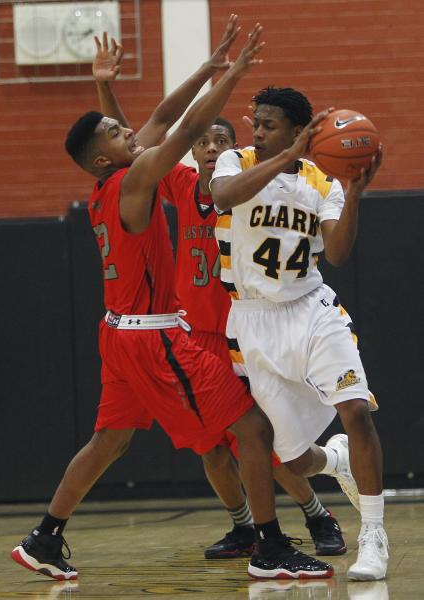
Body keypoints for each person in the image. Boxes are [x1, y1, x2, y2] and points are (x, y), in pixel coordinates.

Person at [11, 18, 334, 582]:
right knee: (253, 430)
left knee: (109, 439)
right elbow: (179, 132)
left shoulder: (120, 178)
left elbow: (159, 122)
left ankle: (44, 536)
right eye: (116, 134)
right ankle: (269, 547)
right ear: (103, 161)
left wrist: (208, 68)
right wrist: (232, 73)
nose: (131, 134)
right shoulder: (137, 182)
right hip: (155, 334)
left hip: (121, 332)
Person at [93, 34, 347, 559]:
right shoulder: (181, 185)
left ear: (235, 151)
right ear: (192, 153)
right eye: (202, 141)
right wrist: (105, 89)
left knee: (268, 443)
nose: (210, 148)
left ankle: (317, 515)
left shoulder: (251, 185)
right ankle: (244, 527)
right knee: (211, 449)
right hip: (194, 336)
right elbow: (132, 153)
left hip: (245, 331)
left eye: (220, 141)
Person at [210, 85, 388, 581]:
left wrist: (354, 192)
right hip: (253, 321)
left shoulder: (321, 182)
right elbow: (223, 197)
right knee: (293, 461)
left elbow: (337, 254)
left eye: (269, 124)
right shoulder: (232, 161)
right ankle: (335, 460)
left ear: (296, 129)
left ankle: (373, 537)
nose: (257, 131)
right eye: (256, 122)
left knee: (355, 409)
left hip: (311, 309)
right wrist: (284, 155)